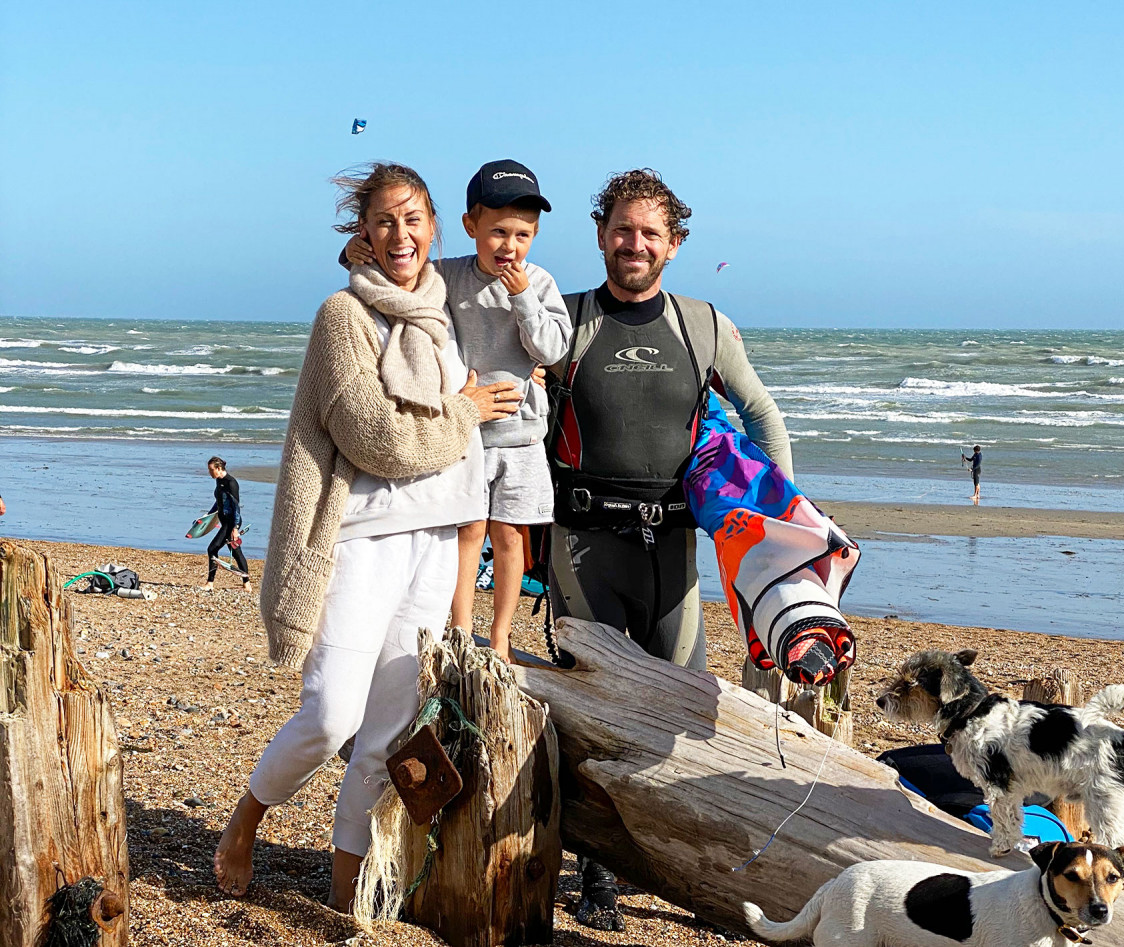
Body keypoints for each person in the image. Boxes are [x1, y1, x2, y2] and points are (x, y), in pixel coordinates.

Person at [212, 162, 522, 911]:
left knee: (386, 732)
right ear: (364, 233)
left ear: (435, 225)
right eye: (385, 220)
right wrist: (464, 413)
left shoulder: (446, 316)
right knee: (329, 716)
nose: (400, 234)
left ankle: (346, 882)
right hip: (360, 540)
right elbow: (373, 434)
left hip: (435, 539)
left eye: (413, 218)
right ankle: (246, 818)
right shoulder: (342, 317)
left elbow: (522, 342)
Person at [544, 169, 791, 930]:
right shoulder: (568, 321)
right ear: (600, 234)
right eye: (623, 228)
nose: (635, 243)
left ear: (675, 245)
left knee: (686, 711)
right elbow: (513, 413)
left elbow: (760, 413)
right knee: (591, 714)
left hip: (672, 551)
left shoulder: (702, 325)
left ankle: (665, 855)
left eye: (651, 232)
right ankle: (596, 871)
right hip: (584, 545)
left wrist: (786, 522)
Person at [345, 159, 569, 662]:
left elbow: (553, 349)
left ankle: (504, 636)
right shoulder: (445, 275)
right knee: (467, 530)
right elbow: (396, 271)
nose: (509, 246)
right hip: (465, 432)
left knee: (511, 537)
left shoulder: (539, 283)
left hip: (522, 434)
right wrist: (351, 253)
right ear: (470, 227)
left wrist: (524, 299)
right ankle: (463, 629)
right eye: (497, 233)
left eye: (522, 235)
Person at [203, 457, 251, 592]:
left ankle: (210, 583)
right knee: (235, 551)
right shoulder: (219, 481)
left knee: (212, 549)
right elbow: (218, 502)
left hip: (231, 522)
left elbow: (236, 507)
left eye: (211, 470)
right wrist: (207, 516)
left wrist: (235, 528)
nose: (210, 473)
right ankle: (247, 585)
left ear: (219, 468)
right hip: (224, 520)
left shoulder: (231, 483)